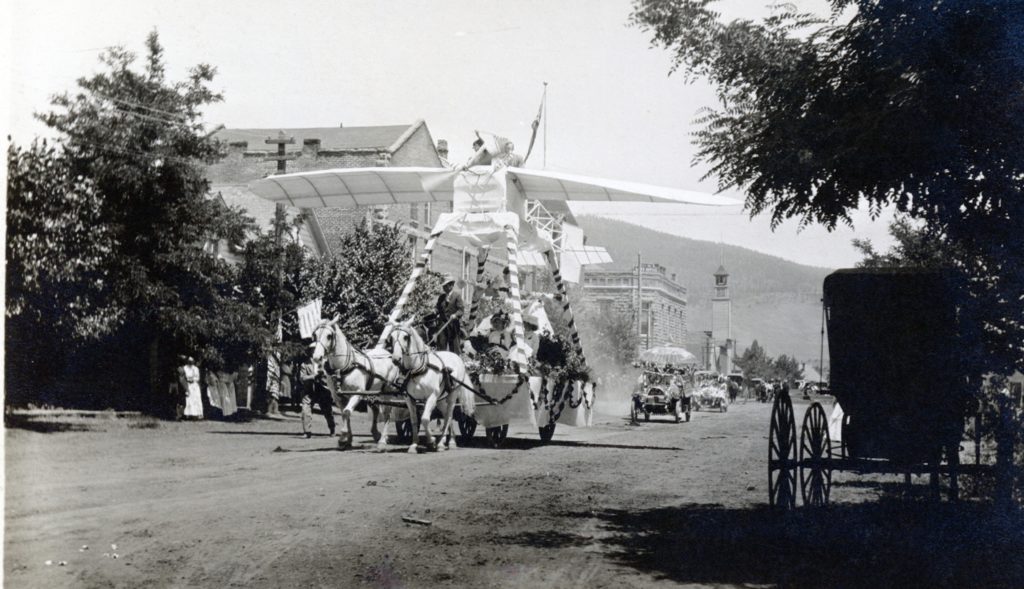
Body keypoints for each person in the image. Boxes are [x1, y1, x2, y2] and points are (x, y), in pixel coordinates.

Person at [299, 346, 335, 438]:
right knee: (305, 410)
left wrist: (324, 375)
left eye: (316, 350)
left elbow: (331, 375)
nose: (314, 352)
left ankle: (332, 429)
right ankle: (307, 432)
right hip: (309, 390)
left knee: (327, 411)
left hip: (322, 390)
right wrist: (313, 376)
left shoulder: (325, 363)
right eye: (312, 351)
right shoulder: (305, 364)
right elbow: (302, 378)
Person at [434, 275, 465, 353]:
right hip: (442, 326)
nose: (444, 288)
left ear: (451, 285)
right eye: (443, 286)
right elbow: (437, 307)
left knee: (454, 348)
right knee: (441, 346)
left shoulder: (457, 296)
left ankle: (455, 362)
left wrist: (455, 315)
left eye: (446, 285)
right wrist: (435, 311)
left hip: (453, 326)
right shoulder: (441, 297)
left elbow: (461, 310)